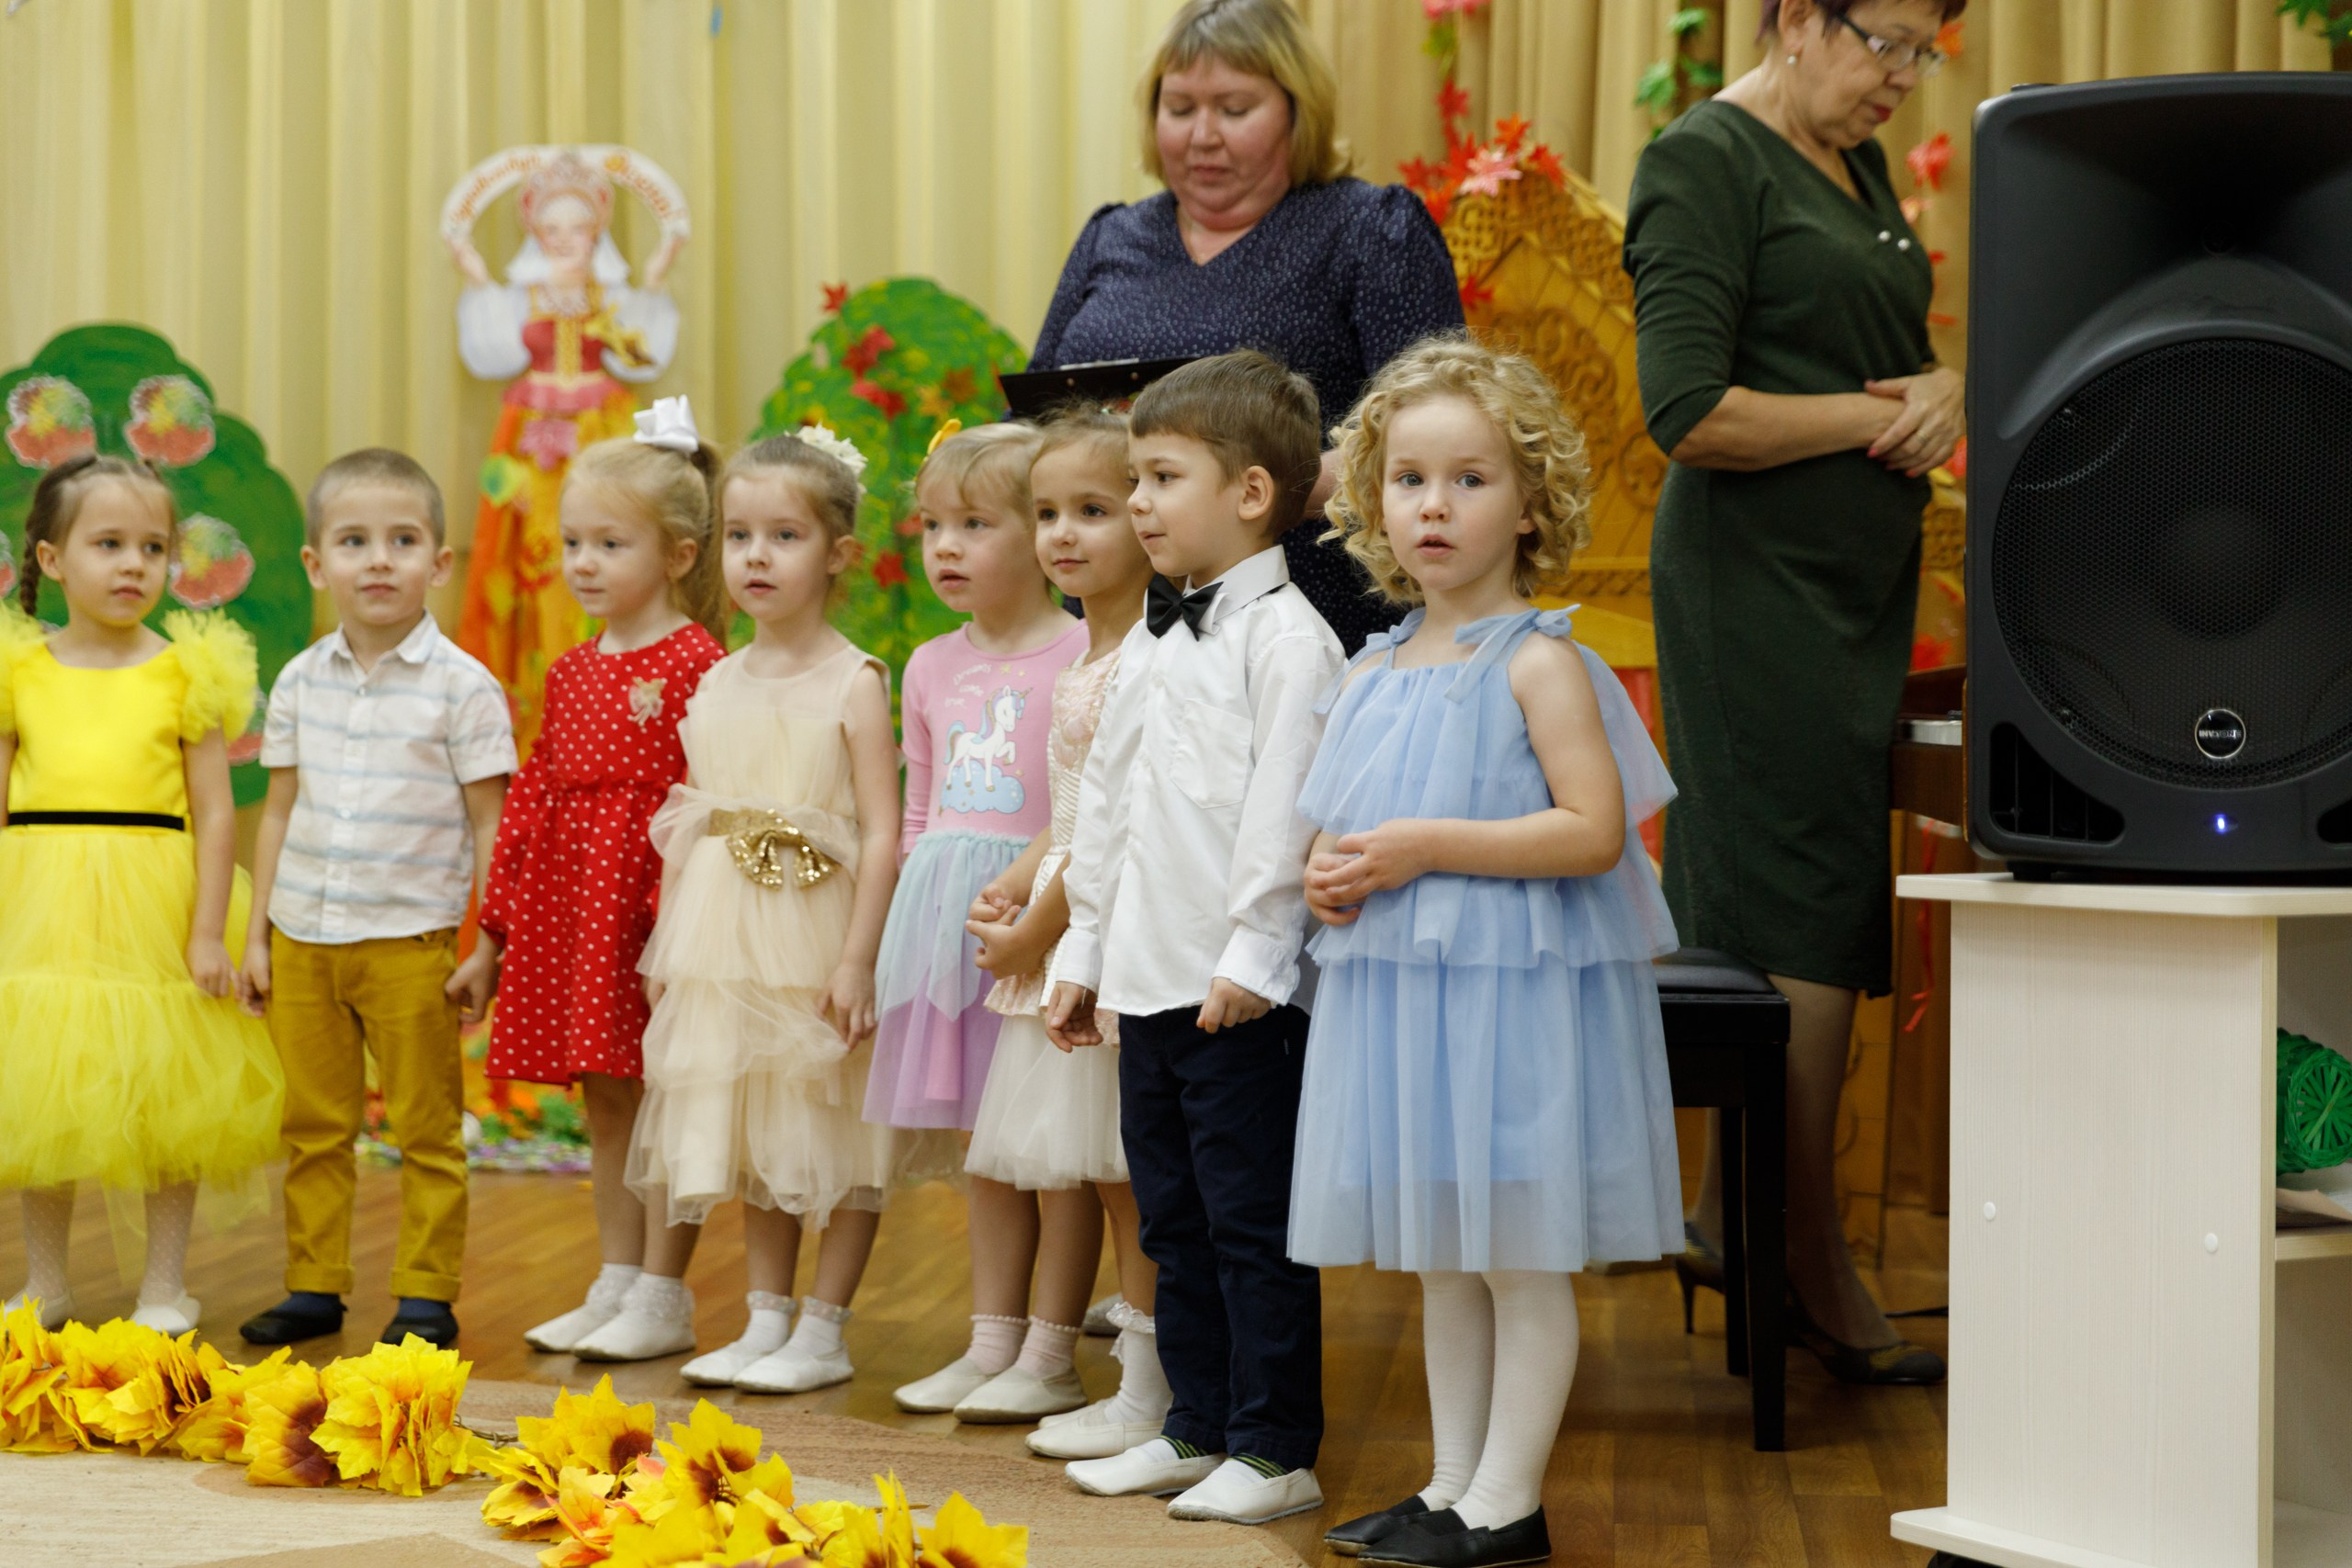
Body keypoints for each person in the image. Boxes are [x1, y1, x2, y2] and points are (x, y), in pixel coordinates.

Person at [1294, 338, 1681, 1568]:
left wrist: (1415, 845)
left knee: (1515, 1256)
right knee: (1441, 1259)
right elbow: (1343, 831)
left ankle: (1509, 1501)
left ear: (1531, 501)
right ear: (1375, 503)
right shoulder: (1375, 666)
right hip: (1413, 1004)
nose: (1435, 506)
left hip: (1512, 1002)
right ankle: (1450, 1484)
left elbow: (1592, 829)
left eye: (1469, 479)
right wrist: (1330, 872)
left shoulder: (1540, 658)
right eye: (1409, 480)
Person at [1623, 0, 1965, 1383]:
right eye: (1882, 39)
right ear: (1788, 16)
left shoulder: (1858, 165)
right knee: (1803, 904)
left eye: (1924, 50)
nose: (1902, 75)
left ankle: (1731, 1213)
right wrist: (1879, 417)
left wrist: (1943, 382)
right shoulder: (1705, 160)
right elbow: (1689, 408)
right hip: (1753, 591)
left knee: (1811, 902)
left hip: (1854, 596)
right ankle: (1803, 1247)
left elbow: (1882, 356)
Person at [1046, 351, 1343, 1528]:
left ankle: (1277, 1447)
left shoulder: (1289, 644)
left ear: (1252, 494)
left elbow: (1285, 822)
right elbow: (1105, 816)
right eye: (1137, 478)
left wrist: (1254, 962)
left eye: (1161, 478)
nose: (1138, 506)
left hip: (1235, 995)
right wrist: (1081, 959)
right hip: (1146, 985)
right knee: (1172, 1219)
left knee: (1250, 1222)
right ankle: (1198, 1426)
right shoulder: (1158, 644)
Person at [598, 428, 907, 1391]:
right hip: (726, 941)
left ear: (839, 555)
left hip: (820, 930)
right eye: (739, 536)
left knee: (838, 1125)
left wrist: (856, 960)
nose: (756, 557)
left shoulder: (854, 681)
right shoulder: (716, 677)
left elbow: (886, 832)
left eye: (785, 536)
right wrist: (674, 946)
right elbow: (693, 813)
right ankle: (766, 1316)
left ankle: (825, 1325)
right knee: (757, 1127)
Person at [1031, 0, 1463, 657]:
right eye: (1180, 109)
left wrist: (1264, 493)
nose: (1203, 135)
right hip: (1113, 627)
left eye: (1234, 109)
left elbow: (1440, 432)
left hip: (1307, 625)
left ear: (1297, 109)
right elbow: (1042, 419)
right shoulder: (1109, 237)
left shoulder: (1372, 231)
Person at [235, 450, 515, 1352]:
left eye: (403, 540)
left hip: (412, 943)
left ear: (439, 563)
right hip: (305, 936)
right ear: (319, 565)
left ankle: (426, 1295)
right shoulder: (297, 681)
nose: (379, 560)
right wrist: (257, 935)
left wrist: (487, 944)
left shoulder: (463, 687)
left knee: (427, 1127)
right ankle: (314, 1285)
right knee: (315, 1125)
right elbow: (276, 812)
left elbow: (489, 827)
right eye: (354, 542)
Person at [0, 455, 284, 1334]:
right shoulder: (21, 671)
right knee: (44, 1096)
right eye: (109, 544)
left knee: (170, 1097)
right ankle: (47, 1281)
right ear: (52, 561)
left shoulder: (183, 672)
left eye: (153, 547)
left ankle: (165, 1284)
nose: (134, 565)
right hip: (40, 895)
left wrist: (209, 932)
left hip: (154, 895)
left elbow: (215, 813)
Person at [479, 400, 729, 1357]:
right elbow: (535, 799)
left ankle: (665, 1294)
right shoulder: (575, 668)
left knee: (666, 1094)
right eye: (573, 542)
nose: (583, 562)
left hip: (656, 916)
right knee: (608, 1098)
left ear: (674, 554)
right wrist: (496, 935)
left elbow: (709, 802)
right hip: (575, 912)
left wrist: (680, 933)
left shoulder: (698, 660)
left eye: (608, 543)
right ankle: (617, 1278)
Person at [956, 408, 1170, 1451]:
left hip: (1109, 940)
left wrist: (1037, 931)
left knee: (1130, 1178)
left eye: (1093, 510)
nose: (1063, 535)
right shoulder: (1090, 656)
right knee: (1097, 1171)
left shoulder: (1145, 658)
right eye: (1046, 513)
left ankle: (1148, 1384)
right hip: (1064, 917)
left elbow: (1118, 829)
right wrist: (1015, 877)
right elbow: (1070, 804)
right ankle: (1120, 1378)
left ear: (1147, 516)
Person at [875, 426, 1093, 1416]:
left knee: (1057, 1150)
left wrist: (1034, 894)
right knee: (987, 1150)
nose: (947, 548)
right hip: (948, 922)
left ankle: (1051, 1352)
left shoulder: (1086, 648)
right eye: (933, 527)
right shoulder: (925, 665)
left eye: (977, 524)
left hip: (1045, 911)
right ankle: (990, 1340)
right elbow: (921, 811)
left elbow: (1084, 798)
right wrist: (895, 934)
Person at [450, 150, 685, 752]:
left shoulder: (610, 299)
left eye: (577, 228)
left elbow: (641, 354)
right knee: (533, 556)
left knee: (613, 535)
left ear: (596, 231)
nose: (564, 240)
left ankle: (612, 696)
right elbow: (493, 352)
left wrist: (656, 276)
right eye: (552, 229)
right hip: (529, 439)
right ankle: (535, 712)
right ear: (536, 230)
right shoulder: (520, 298)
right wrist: (476, 277)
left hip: (600, 431)